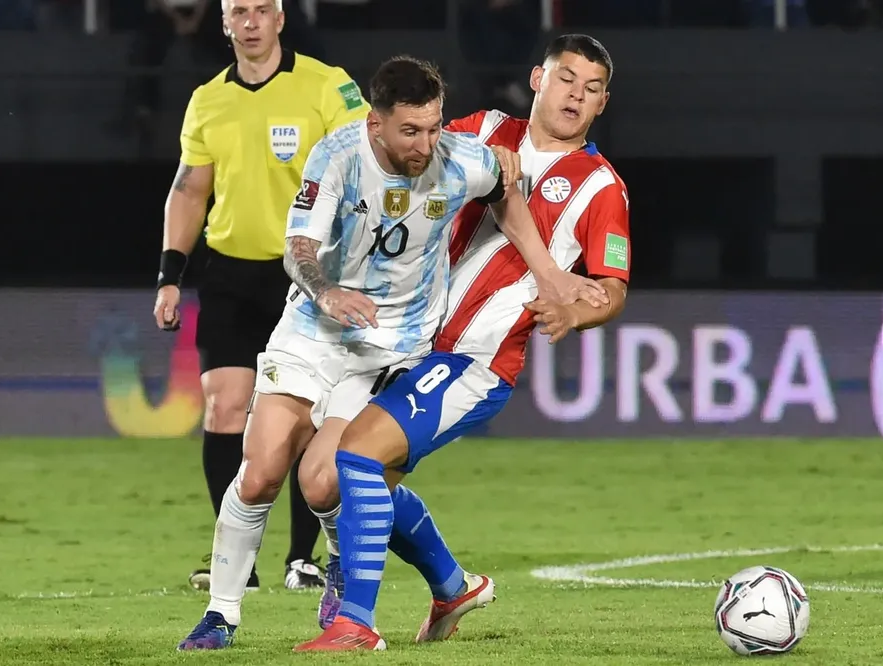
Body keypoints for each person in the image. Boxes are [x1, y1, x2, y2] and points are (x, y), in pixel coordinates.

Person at [176, 54, 605, 652]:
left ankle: (340, 567)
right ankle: (222, 614)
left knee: (323, 480)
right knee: (262, 471)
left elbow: (505, 195)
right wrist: (327, 290)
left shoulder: (459, 161)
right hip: (314, 330)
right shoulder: (337, 157)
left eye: (434, 127)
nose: (426, 144)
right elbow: (297, 246)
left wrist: (551, 274)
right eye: (411, 131)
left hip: (392, 352)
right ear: (375, 123)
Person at [295, 33, 630, 652]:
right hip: (406, 340)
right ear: (538, 79)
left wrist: (574, 313)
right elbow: (411, 155)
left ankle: (356, 624)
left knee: (362, 454)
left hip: (475, 359)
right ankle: (454, 588)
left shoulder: (601, 186)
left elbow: (612, 288)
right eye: (566, 79)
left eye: (591, 89)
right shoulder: (485, 132)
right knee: (321, 480)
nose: (575, 96)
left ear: (602, 104)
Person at [152, 0, 371, 596]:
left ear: (280, 18)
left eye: (261, 10)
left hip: (307, 279)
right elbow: (190, 190)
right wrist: (170, 274)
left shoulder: (327, 86)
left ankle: (301, 558)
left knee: (303, 416)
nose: (250, 21)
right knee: (224, 407)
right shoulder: (208, 99)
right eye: (238, 11)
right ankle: (235, 561)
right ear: (224, 22)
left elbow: (368, 168)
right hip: (229, 274)